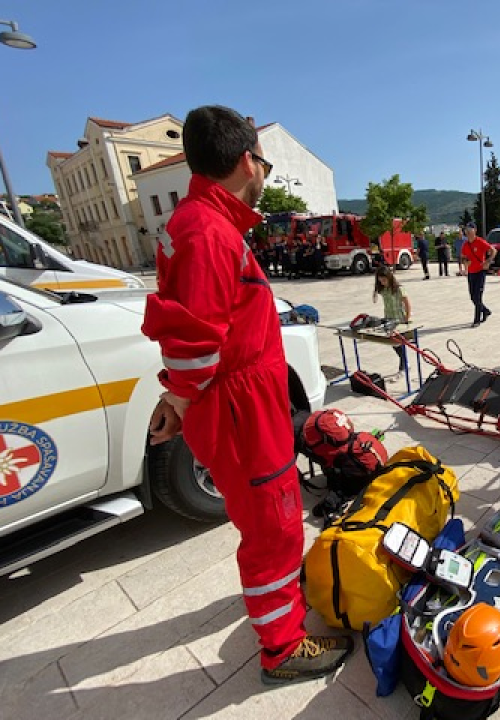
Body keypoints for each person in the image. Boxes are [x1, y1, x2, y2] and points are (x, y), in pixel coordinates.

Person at [141, 105, 352, 686]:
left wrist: (177, 401)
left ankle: (278, 611)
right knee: (273, 525)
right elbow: (194, 336)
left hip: (238, 403)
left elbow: (193, 328)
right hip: (240, 411)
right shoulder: (208, 231)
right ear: (244, 162)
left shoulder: (204, 223)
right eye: (262, 161)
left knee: (270, 519)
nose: (264, 173)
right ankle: (282, 646)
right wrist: (180, 398)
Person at [373, 265, 412, 373]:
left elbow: (407, 304)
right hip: (389, 319)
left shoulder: (399, 289)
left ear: (389, 277)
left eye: (384, 280)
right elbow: (376, 295)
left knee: (399, 342)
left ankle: (404, 365)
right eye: (380, 281)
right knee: (393, 343)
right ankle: (404, 363)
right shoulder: (383, 290)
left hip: (399, 319)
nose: (382, 283)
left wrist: (407, 318)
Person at [460, 222, 495, 327]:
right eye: (467, 231)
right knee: (472, 297)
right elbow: (463, 256)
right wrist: (465, 264)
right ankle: (485, 311)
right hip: (471, 272)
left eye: (470, 231)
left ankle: (477, 320)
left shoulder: (480, 242)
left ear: (475, 231)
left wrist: (487, 261)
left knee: (478, 296)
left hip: (480, 272)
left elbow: (493, 250)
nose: (469, 233)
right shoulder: (465, 245)